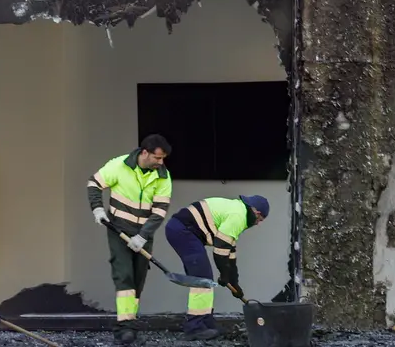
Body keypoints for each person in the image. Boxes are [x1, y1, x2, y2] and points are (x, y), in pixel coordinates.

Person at [87, 134, 173, 345]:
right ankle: (124, 328)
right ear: (145, 153)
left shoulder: (163, 176)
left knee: (138, 278)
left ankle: (130, 323)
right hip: (119, 228)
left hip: (144, 232)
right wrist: (97, 209)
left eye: (163, 159)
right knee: (124, 275)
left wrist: (142, 237)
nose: (161, 162)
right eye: (157, 157)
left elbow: (160, 211)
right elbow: (94, 183)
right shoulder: (119, 165)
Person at [164, 195, 270, 341]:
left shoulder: (239, 212)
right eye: (260, 220)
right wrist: (224, 275)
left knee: (205, 279)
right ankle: (194, 328)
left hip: (186, 232)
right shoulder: (238, 216)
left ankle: (206, 322)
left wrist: (234, 282)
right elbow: (220, 251)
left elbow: (230, 253)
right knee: (202, 280)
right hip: (183, 231)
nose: (258, 224)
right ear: (257, 213)